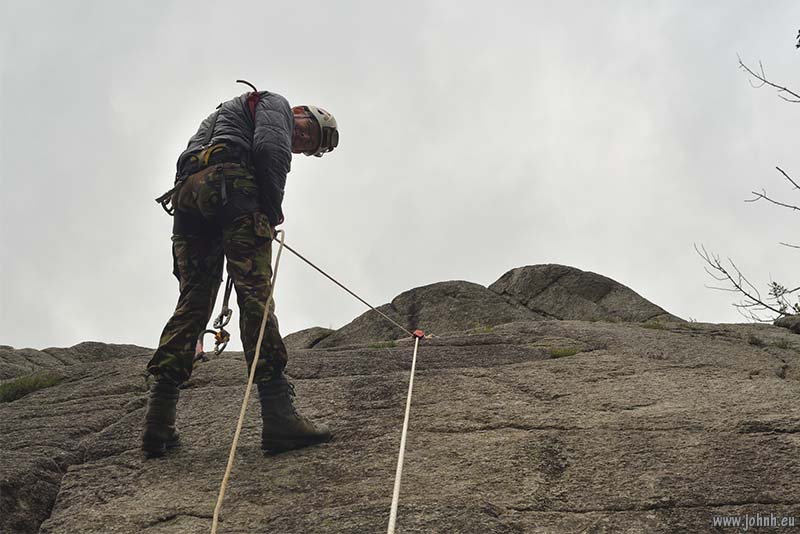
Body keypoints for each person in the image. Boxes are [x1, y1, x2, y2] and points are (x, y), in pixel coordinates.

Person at [143, 87, 339, 459]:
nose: (300, 140)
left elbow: (189, 157)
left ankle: (158, 422)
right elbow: (270, 148)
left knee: (193, 301)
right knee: (254, 297)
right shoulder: (275, 103)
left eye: (307, 144)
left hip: (188, 195)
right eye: (306, 132)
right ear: (299, 112)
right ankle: (279, 416)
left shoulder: (221, 116)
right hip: (233, 189)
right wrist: (269, 210)